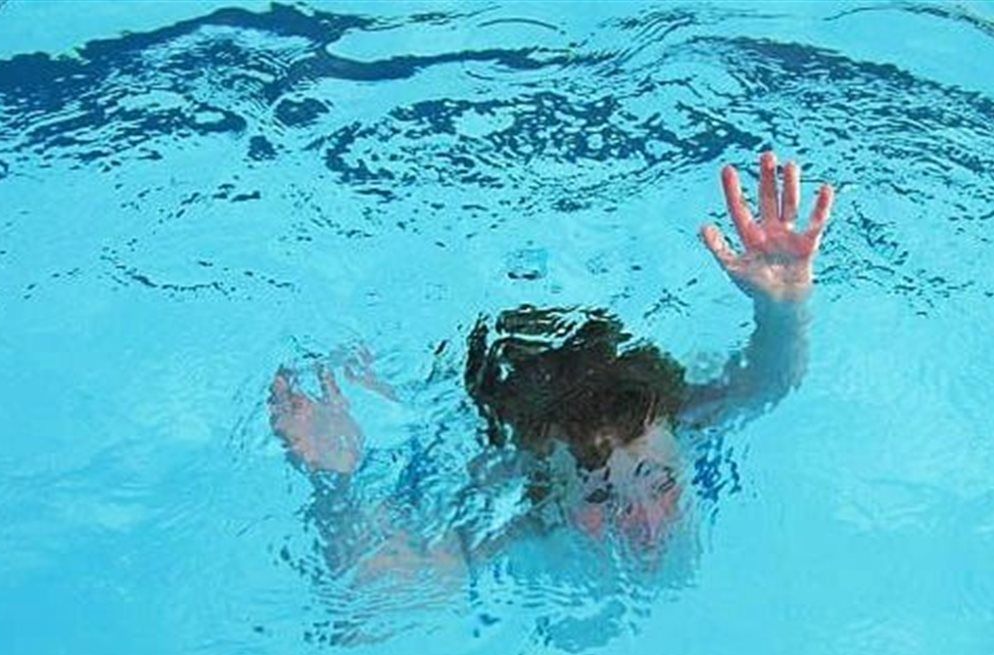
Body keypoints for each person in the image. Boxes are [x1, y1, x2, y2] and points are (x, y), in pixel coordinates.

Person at [269, 151, 835, 582]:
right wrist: (334, 481)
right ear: (547, 494)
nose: (645, 523)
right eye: (599, 499)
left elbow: (769, 382)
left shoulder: (675, 423)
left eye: (662, 481)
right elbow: (375, 609)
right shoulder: (517, 501)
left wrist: (783, 306)